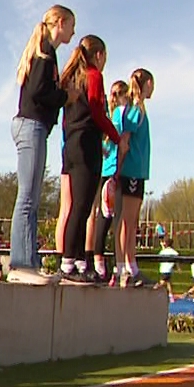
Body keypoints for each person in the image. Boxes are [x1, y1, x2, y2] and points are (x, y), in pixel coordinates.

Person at [11, 5, 74, 278]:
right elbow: (39, 91)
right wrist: (64, 96)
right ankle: (21, 263)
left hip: (34, 126)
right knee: (27, 198)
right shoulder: (45, 54)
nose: (73, 31)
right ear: (60, 23)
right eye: (71, 25)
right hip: (31, 125)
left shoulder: (47, 53)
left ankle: (30, 262)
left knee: (32, 198)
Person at [56, 35, 120, 282]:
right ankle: (69, 263)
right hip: (86, 144)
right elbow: (97, 110)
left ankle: (80, 262)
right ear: (99, 55)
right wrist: (115, 137)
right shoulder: (93, 76)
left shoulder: (73, 77)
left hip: (72, 144)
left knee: (78, 206)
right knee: (82, 207)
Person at [88, 78, 133, 282]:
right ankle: (105, 263)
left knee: (108, 218)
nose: (116, 97)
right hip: (112, 172)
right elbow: (121, 144)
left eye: (120, 92)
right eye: (114, 93)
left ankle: (105, 263)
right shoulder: (115, 116)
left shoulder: (115, 116)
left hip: (112, 171)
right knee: (111, 219)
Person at [113, 69, 153, 284]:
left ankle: (131, 263)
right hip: (131, 170)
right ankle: (124, 265)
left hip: (138, 170)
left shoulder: (140, 109)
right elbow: (125, 140)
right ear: (146, 83)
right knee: (127, 220)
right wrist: (117, 171)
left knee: (133, 220)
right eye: (151, 83)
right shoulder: (134, 110)